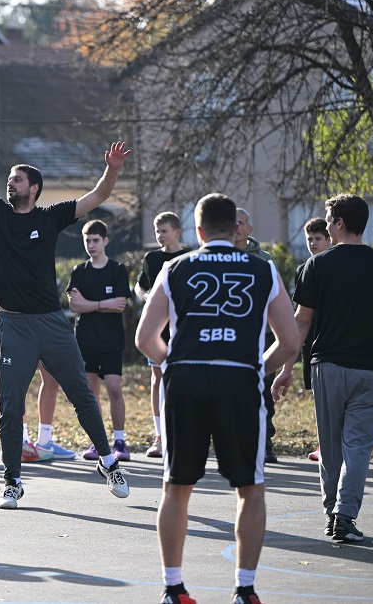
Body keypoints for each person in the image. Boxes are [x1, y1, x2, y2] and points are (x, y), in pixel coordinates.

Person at [0, 96, 130, 509]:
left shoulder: (51, 216)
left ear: (33, 188)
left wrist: (111, 170)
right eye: (10, 180)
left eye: (17, 180)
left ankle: (108, 461)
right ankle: (12, 481)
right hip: (13, 325)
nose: (10, 183)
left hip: (52, 322)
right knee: (10, 403)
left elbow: (96, 195)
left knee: (82, 394)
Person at [135, 192, 299, 604]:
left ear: (199, 230)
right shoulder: (263, 269)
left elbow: (144, 339)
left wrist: (174, 364)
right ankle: (245, 589)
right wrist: (256, 365)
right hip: (239, 382)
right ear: (236, 227)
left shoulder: (174, 267)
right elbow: (290, 341)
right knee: (251, 487)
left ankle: (174, 587)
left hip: (187, 380)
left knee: (176, 485)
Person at [273, 194, 373, 543]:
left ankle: (331, 513)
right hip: (370, 370)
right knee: (358, 446)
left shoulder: (315, 267)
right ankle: (344, 516)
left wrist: (286, 366)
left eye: (328, 219)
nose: (327, 226)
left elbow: (301, 322)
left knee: (331, 447)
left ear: (339, 223)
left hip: (327, 368)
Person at [68, 219, 132, 462]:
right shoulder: (79, 272)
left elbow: (121, 306)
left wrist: (89, 305)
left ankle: (119, 441)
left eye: (96, 240)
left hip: (111, 341)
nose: (91, 245)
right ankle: (98, 442)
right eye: (87, 240)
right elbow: (75, 305)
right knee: (90, 393)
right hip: (85, 340)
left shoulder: (117, 270)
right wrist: (103, 304)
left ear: (105, 241)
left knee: (114, 389)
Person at [134, 212, 188, 459]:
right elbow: (141, 285)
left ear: (177, 232)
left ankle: (181, 432)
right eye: (157, 231)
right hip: (159, 327)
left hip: (184, 327)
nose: (160, 236)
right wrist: (148, 299)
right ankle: (159, 436)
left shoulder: (189, 258)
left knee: (181, 379)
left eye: (164, 231)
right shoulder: (152, 258)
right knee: (158, 377)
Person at [235, 207, 279, 464]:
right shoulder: (220, 257)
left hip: (261, 335)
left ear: (249, 229)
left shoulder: (265, 259)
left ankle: (265, 442)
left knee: (261, 391)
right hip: (230, 336)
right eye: (232, 224)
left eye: (240, 223)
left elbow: (275, 298)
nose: (236, 228)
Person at [296, 217, 330, 462]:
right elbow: (301, 314)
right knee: (319, 399)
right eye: (309, 239)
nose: (313, 243)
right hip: (311, 341)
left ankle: (331, 444)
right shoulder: (303, 269)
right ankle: (323, 444)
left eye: (318, 239)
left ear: (329, 239)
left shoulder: (334, 266)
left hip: (332, 338)